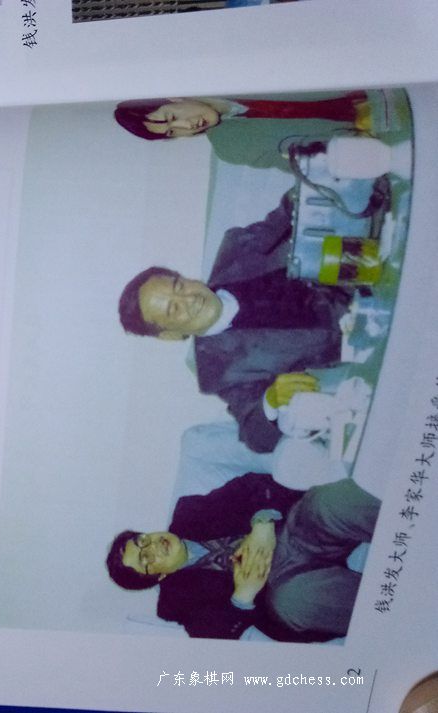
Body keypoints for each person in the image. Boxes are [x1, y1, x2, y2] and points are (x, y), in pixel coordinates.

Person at [117, 193, 352, 452]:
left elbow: (287, 213)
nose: (190, 299)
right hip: (359, 346)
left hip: (361, 265)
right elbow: (255, 436)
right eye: (174, 310)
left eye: (179, 286)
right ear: (170, 334)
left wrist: (305, 191)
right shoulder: (218, 371)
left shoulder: (235, 249)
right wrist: (272, 400)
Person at [105, 473, 380, 641]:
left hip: (293, 529)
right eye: (146, 560)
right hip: (282, 588)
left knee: (331, 500)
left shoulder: (189, 512)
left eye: (142, 540)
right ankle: (392, 612)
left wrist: (262, 524)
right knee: (299, 601)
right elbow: (215, 634)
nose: (152, 547)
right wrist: (243, 596)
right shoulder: (174, 604)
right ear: (158, 577)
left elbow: (251, 485)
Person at [113, 93, 368, 172]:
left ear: (174, 97)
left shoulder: (234, 74)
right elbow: (314, 166)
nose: (186, 127)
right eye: (172, 132)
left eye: (172, 117)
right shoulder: (231, 149)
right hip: (367, 137)